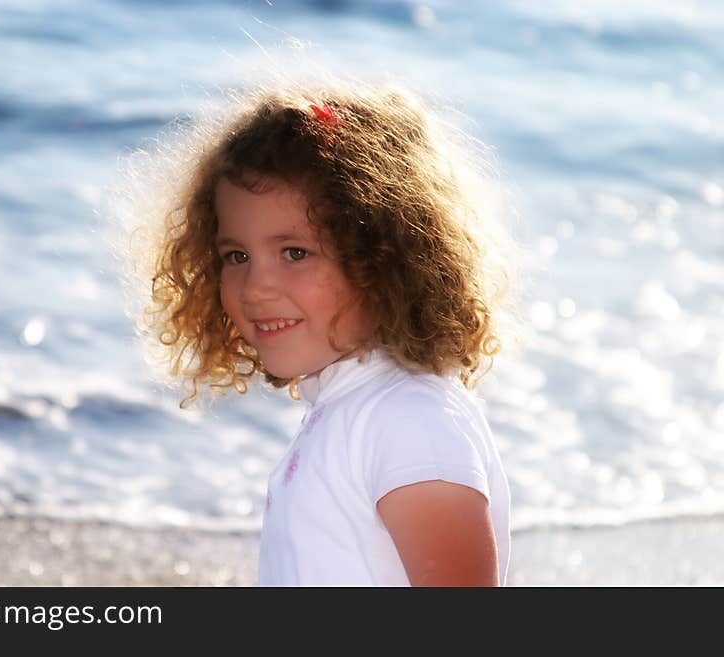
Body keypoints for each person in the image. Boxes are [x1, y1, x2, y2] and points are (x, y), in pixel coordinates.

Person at [128, 78, 520, 586]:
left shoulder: (409, 419)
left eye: (295, 252)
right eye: (236, 256)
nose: (255, 287)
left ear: (384, 260)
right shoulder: (348, 411)